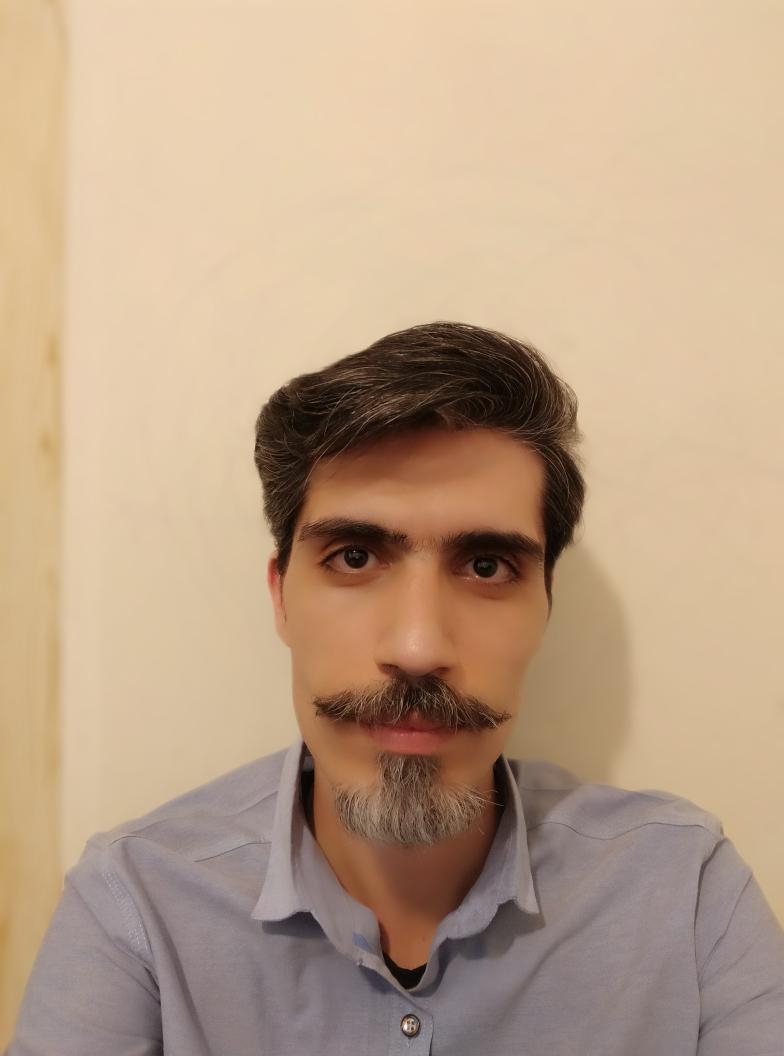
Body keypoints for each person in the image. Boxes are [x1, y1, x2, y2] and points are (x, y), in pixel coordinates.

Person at [7, 321, 784, 1055]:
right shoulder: (138, 905)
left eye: (487, 566)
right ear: (281, 597)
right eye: (354, 557)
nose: (417, 648)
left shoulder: (683, 893)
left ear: (546, 606)